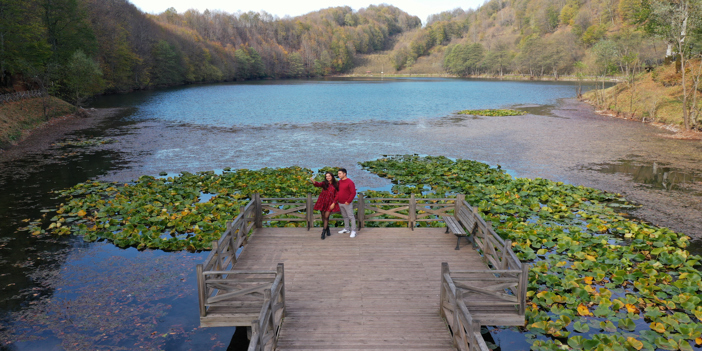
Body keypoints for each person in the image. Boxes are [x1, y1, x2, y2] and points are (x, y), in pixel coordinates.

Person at [310, 172, 340, 240]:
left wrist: (334, 203)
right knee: (323, 216)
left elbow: (337, 195)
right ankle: (327, 228)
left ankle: (323, 232)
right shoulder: (324, 183)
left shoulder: (336, 184)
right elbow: (318, 184)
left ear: (332, 176)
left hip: (330, 202)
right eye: (326, 176)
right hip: (323, 201)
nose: (328, 177)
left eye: (329, 176)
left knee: (326, 216)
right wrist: (313, 181)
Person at [336, 168, 357, 238]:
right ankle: (347, 229)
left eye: (339, 173)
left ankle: (353, 231)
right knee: (345, 216)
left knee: (351, 217)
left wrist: (348, 201)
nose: (338, 175)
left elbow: (353, 193)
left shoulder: (350, 182)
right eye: (338, 173)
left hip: (347, 203)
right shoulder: (339, 182)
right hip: (340, 202)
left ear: (344, 174)